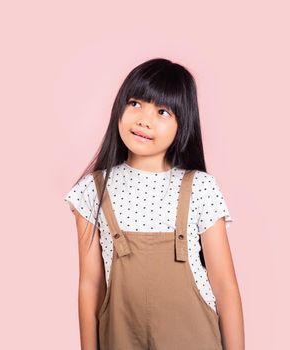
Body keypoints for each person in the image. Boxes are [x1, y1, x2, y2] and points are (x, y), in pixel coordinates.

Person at [63, 58, 245, 349]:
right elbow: (90, 285)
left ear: (182, 125)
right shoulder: (91, 190)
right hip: (121, 338)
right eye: (135, 103)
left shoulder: (200, 186)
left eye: (162, 111)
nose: (143, 120)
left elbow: (225, 286)